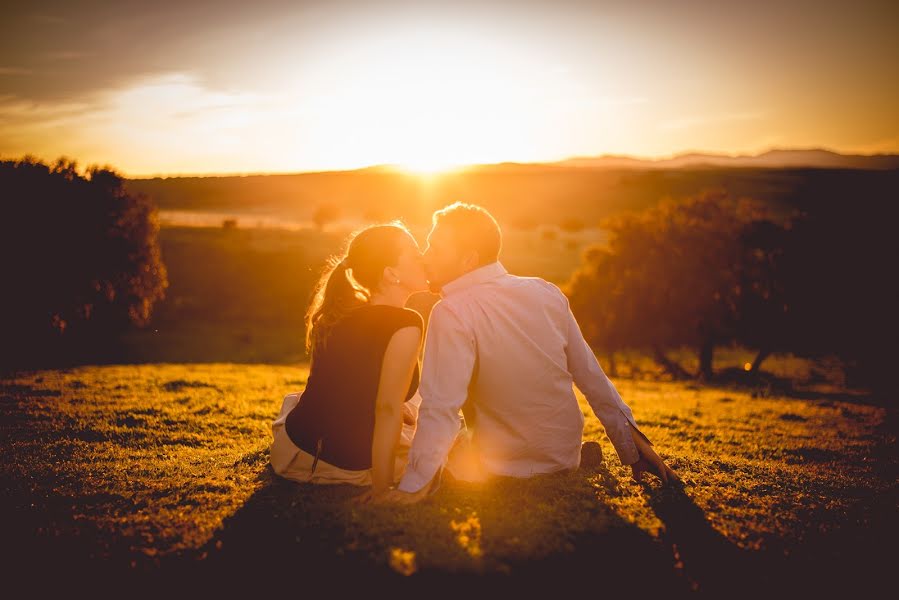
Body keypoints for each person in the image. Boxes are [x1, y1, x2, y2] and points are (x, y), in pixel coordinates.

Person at [379, 202, 680, 505]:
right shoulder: (546, 291)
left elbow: (441, 406)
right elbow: (591, 376)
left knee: (415, 412)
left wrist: (413, 487)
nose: (424, 257)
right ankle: (582, 453)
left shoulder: (451, 311)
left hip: (496, 466)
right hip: (563, 456)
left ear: (468, 259)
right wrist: (634, 448)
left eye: (435, 247)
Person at [269, 222, 428, 501]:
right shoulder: (406, 322)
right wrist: (382, 488)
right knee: (446, 443)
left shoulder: (338, 312)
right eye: (415, 254)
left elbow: (347, 385)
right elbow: (387, 408)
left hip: (293, 455)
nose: (424, 259)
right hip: (348, 466)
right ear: (391, 274)